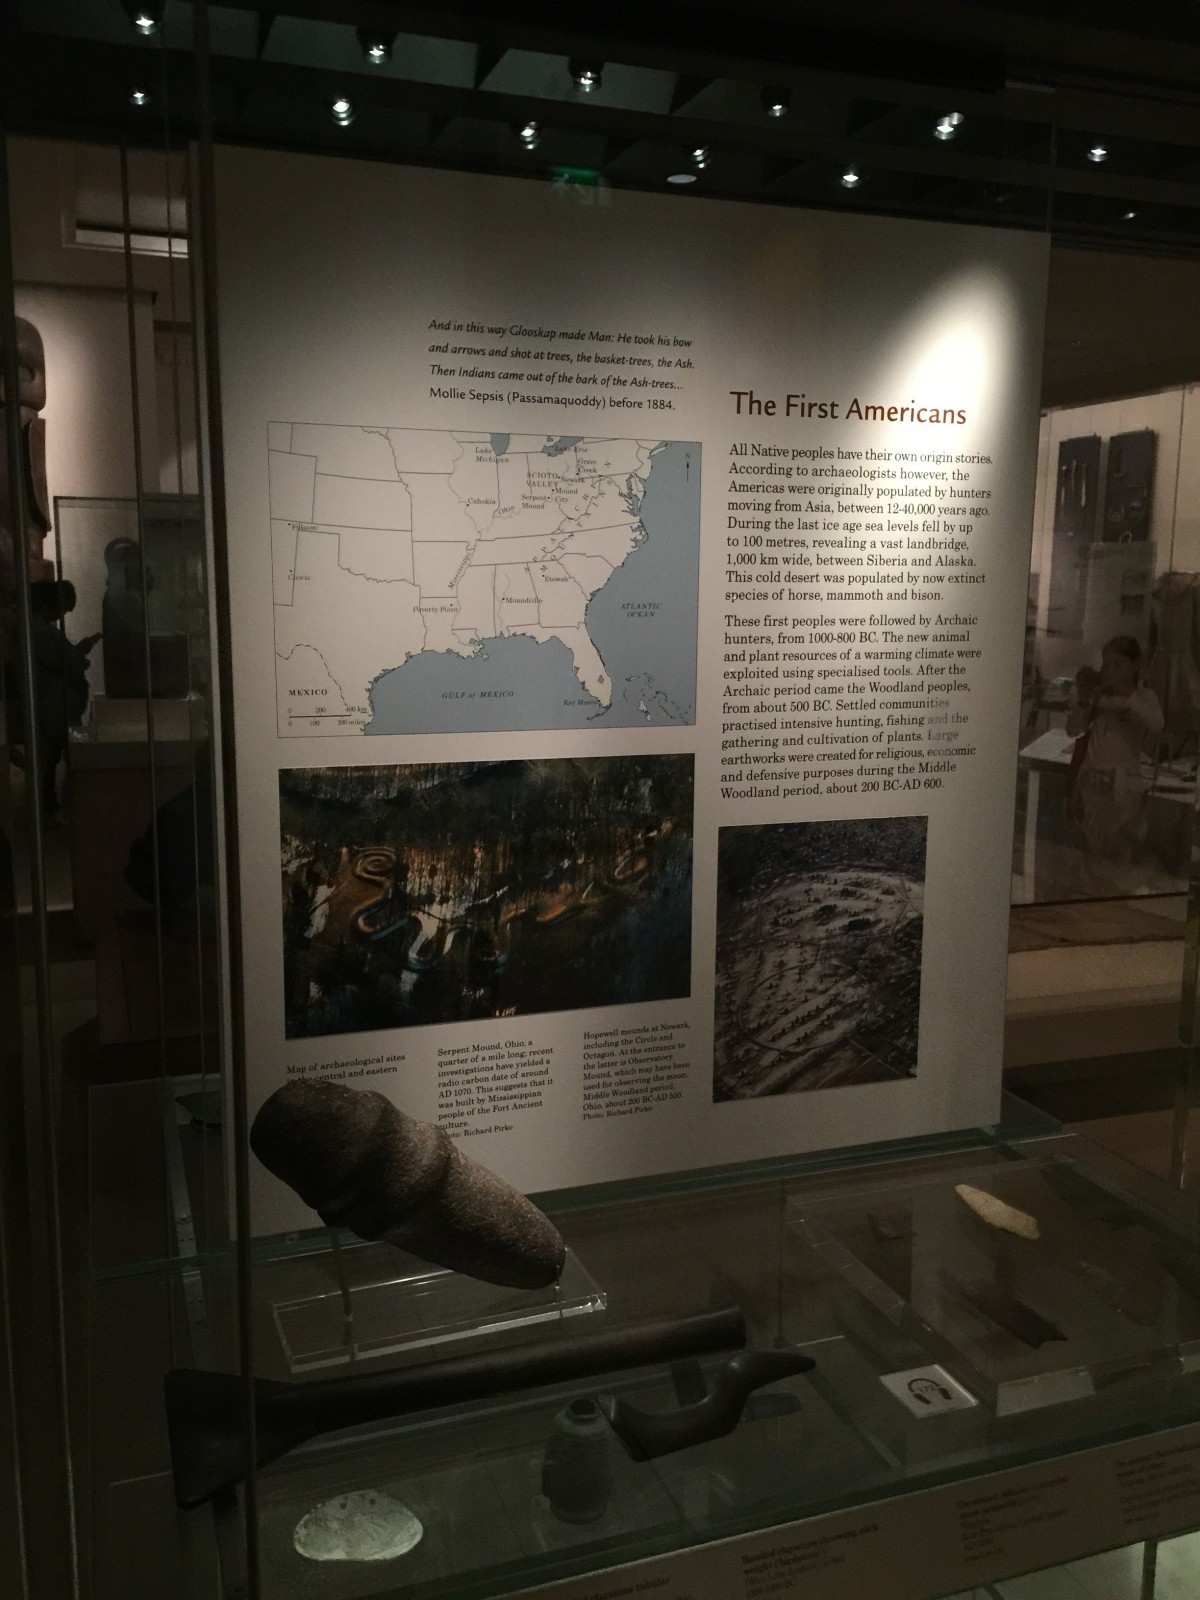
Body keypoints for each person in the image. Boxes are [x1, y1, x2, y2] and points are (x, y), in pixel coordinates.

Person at [1066, 634, 1164, 892]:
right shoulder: (1099, 696)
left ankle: (1108, 880)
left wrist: (1126, 698)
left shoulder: (1144, 697)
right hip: (1091, 780)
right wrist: (1083, 703)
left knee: (1116, 837)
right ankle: (1094, 880)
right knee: (1093, 837)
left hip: (1121, 787)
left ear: (1135, 665)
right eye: (1105, 663)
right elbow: (1072, 729)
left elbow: (1157, 723)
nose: (1108, 670)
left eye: (1117, 664)